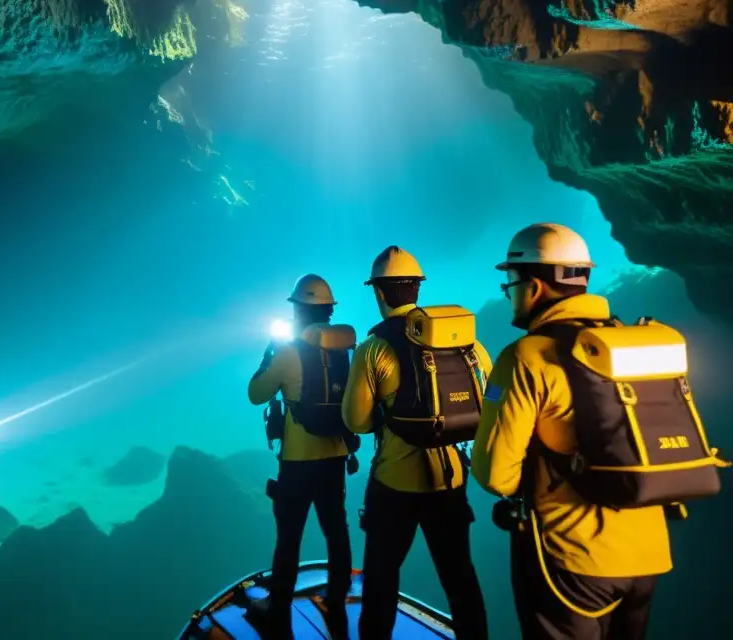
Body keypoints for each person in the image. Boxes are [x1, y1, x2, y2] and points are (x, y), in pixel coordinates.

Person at [471, 223, 672, 640]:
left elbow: (495, 476)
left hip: (572, 561)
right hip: (648, 554)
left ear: (535, 286)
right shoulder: (630, 341)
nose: (510, 291)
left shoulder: (526, 357)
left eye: (511, 280)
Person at [343, 246, 490, 640]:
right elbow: (488, 402)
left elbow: (355, 422)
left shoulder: (374, 349)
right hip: (451, 480)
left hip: (395, 482)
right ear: (417, 289)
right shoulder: (467, 344)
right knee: (461, 579)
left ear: (379, 293)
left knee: (381, 581)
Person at [247, 274, 357, 639]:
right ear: (327, 311)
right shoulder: (345, 351)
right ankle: (338, 597)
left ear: (298, 312)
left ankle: (277, 607)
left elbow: (256, 394)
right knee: (335, 529)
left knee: (289, 536)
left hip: (297, 461)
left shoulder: (287, 352)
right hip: (335, 456)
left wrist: (268, 354)